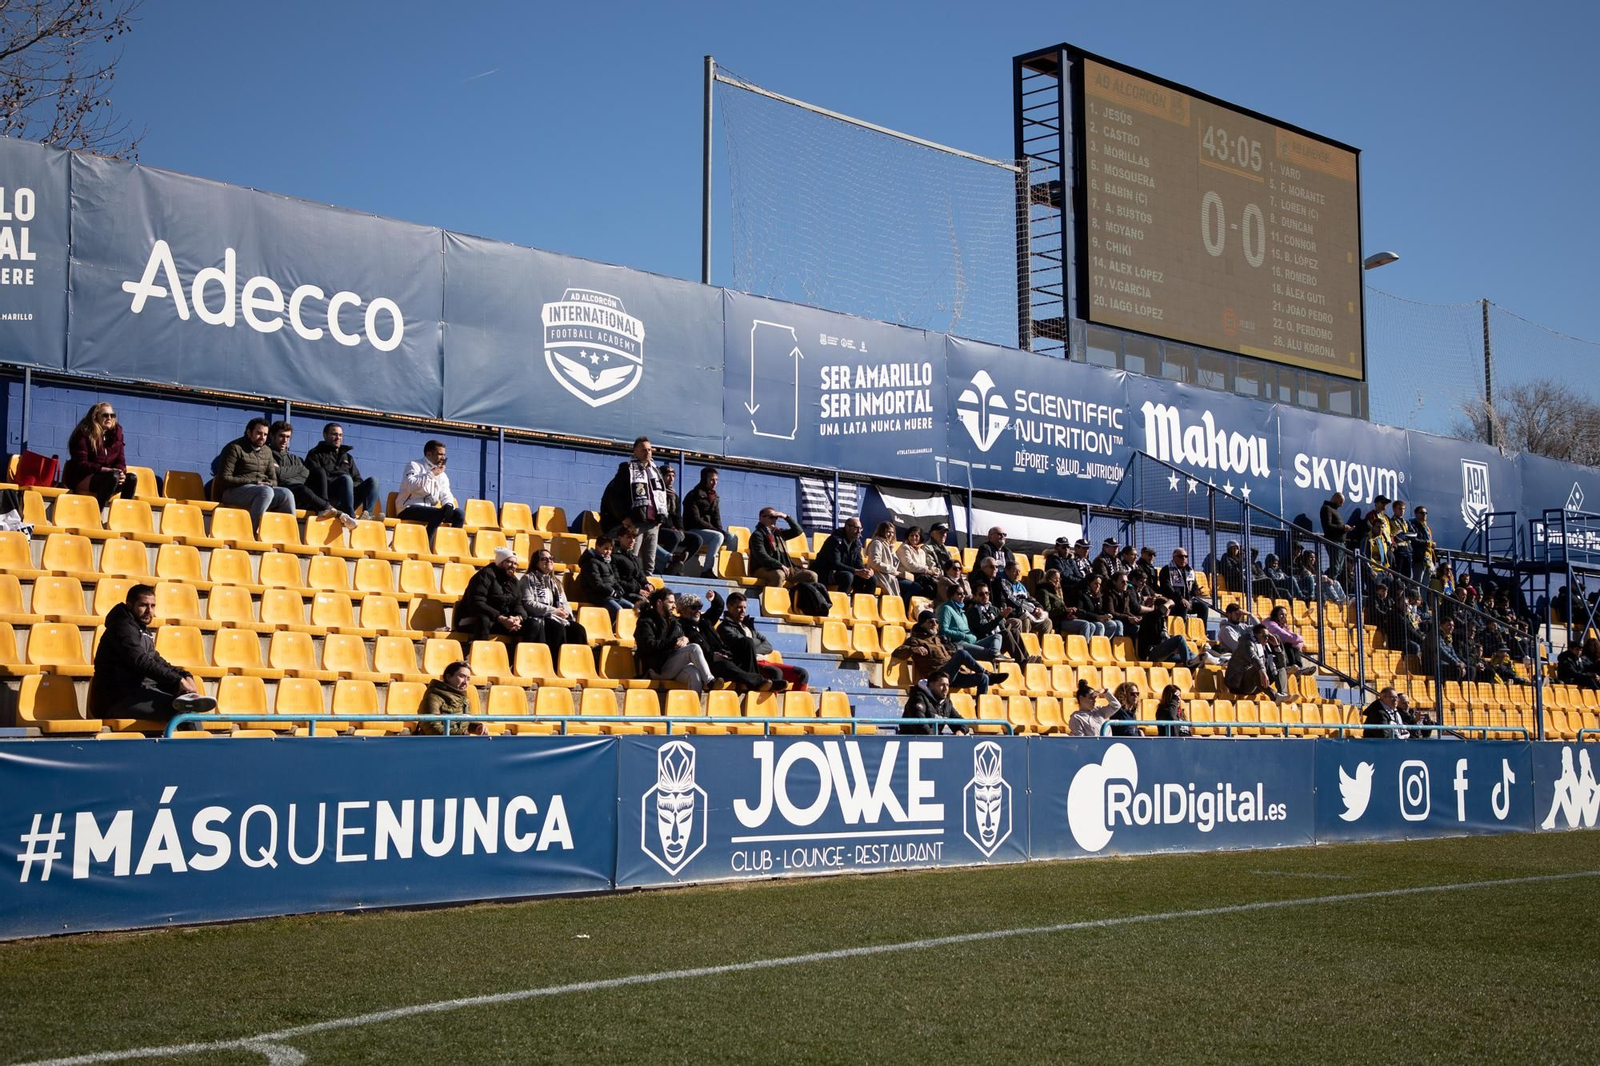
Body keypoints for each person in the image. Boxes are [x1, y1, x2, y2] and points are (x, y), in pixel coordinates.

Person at [88, 584, 217, 722]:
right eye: (143, 605)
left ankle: (192, 737)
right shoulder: (122, 628)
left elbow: (157, 660)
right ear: (130, 605)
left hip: (137, 695)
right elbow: (141, 661)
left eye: (153, 606)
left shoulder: (142, 630)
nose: (149, 611)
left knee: (186, 708)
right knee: (183, 713)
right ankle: (195, 742)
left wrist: (184, 675)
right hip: (117, 699)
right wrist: (178, 681)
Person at [889, 609, 1003, 695]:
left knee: (983, 678)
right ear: (922, 624)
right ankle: (988, 673)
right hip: (937, 676)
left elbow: (946, 655)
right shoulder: (915, 640)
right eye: (931, 622)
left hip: (952, 675)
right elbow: (897, 652)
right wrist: (913, 649)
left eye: (936, 622)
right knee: (962, 653)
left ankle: (979, 712)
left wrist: (952, 653)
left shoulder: (937, 639)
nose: (935, 625)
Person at [676, 591, 771, 691]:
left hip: (725, 656)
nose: (698, 611)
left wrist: (714, 597)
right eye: (694, 607)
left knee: (746, 642)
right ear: (683, 610)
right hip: (709, 665)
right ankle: (758, 682)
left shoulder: (705, 621)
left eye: (699, 607)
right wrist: (713, 656)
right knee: (725, 665)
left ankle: (750, 683)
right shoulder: (679, 626)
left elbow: (718, 607)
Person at [267, 421, 355, 528]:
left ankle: (325, 506)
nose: (285, 440)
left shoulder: (294, 458)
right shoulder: (266, 454)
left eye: (288, 437)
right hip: (279, 493)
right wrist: (295, 472)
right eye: (281, 436)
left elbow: (305, 473)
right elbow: (277, 475)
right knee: (301, 489)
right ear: (272, 435)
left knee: (319, 472)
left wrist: (286, 472)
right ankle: (330, 509)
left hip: (299, 495)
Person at [214, 417, 295, 532]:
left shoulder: (267, 451)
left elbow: (274, 480)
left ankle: (289, 534)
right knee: (266, 491)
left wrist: (269, 483)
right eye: (259, 433)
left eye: (265, 434)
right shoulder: (234, 448)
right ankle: (250, 531)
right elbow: (224, 479)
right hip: (233, 492)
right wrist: (254, 483)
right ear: (248, 432)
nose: (262, 437)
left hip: (260, 491)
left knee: (286, 493)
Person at [718, 591, 808, 690]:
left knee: (802, 674)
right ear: (729, 607)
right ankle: (769, 703)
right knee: (776, 673)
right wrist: (753, 643)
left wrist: (751, 647)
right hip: (751, 666)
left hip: (765, 662)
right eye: (739, 607)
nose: (743, 611)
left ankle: (794, 704)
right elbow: (744, 644)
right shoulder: (725, 628)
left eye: (744, 607)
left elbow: (768, 646)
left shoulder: (748, 626)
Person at [635, 587, 714, 693]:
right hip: (656, 668)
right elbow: (649, 646)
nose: (674, 606)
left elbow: (681, 640)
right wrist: (673, 643)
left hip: (673, 665)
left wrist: (685, 640)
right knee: (694, 648)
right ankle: (710, 681)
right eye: (671, 602)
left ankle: (694, 708)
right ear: (659, 603)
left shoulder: (674, 622)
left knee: (694, 674)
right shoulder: (646, 621)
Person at [64, 401, 137, 507]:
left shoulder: (117, 436)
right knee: (111, 477)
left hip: (109, 477)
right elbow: (81, 463)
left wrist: (121, 471)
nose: (109, 418)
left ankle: (124, 513)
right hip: (83, 476)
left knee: (131, 478)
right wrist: (104, 470)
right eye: (105, 415)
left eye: (112, 415)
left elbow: (120, 461)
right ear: (95, 417)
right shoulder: (83, 433)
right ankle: (98, 511)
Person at [304, 422, 383, 520]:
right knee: (346, 478)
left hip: (348, 498)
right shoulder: (315, 454)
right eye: (334, 434)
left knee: (374, 481)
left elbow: (358, 479)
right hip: (329, 499)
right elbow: (315, 479)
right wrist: (343, 482)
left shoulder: (347, 457)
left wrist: (349, 486)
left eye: (340, 435)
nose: (338, 438)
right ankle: (351, 516)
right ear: (325, 435)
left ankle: (368, 514)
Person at [517, 548, 588, 651]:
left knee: (578, 630)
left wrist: (566, 612)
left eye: (551, 558)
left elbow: (565, 602)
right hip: (541, 617)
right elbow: (528, 603)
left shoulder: (556, 582)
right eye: (544, 559)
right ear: (536, 562)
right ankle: (556, 662)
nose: (549, 561)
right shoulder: (527, 579)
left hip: (558, 617)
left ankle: (577, 662)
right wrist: (553, 611)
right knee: (557, 628)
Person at [395, 439, 465, 538]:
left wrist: (448, 505)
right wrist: (431, 474)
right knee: (438, 514)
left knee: (459, 514)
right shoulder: (414, 465)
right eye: (440, 454)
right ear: (428, 454)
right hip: (408, 508)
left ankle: (451, 545)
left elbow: (446, 492)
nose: (443, 458)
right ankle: (425, 546)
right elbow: (411, 486)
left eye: (444, 455)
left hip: (429, 510)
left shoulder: (442, 475)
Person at [456, 546, 527, 644]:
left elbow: (518, 603)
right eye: (509, 562)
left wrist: (518, 618)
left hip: (499, 621)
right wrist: (501, 618)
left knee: (533, 623)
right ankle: (479, 654)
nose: (513, 566)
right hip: (471, 620)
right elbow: (477, 603)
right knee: (483, 619)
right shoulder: (484, 575)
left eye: (515, 563)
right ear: (500, 562)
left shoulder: (513, 581)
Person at [654, 465, 703, 576]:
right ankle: (664, 565)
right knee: (674, 536)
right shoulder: (656, 493)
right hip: (659, 528)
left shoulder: (674, 496)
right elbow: (659, 515)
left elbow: (677, 516)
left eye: (673, 476)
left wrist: (680, 528)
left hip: (673, 529)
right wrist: (674, 529)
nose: (671, 479)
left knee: (697, 539)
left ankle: (676, 565)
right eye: (668, 476)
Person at [967, 580, 1030, 663]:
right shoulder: (973, 611)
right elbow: (983, 629)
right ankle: (1022, 662)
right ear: (975, 596)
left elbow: (1001, 627)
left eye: (987, 593)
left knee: (1014, 631)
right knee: (1005, 633)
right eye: (981, 594)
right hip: (986, 643)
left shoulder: (994, 609)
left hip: (998, 641)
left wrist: (1002, 621)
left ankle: (1027, 658)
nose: (985, 596)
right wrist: (1000, 617)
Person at [681, 466, 727, 578]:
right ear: (704, 479)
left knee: (731, 538)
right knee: (718, 536)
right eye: (712, 479)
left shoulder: (715, 497)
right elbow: (695, 520)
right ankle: (707, 570)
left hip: (710, 530)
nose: (714, 483)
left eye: (716, 480)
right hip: (694, 530)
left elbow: (717, 518)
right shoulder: (693, 495)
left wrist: (720, 529)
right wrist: (715, 530)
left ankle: (725, 572)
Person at [415, 660, 484, 736]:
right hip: (436, 744)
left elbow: (465, 723)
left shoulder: (464, 699)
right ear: (448, 677)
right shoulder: (433, 697)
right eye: (461, 676)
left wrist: (477, 727)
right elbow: (432, 727)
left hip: (458, 742)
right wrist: (462, 733)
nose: (465, 682)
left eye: (468, 679)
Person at [1225, 624, 1289, 701]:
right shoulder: (1246, 643)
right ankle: (1275, 697)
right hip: (1238, 684)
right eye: (1264, 636)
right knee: (1257, 668)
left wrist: (1276, 646)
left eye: (1268, 636)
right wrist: (1262, 670)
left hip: (1254, 685)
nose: (1267, 639)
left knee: (1280, 668)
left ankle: (1282, 694)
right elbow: (1253, 657)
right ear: (1255, 635)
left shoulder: (1266, 647)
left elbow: (1282, 664)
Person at [938, 582, 1000, 662]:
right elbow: (943, 630)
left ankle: (996, 654)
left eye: (964, 593)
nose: (963, 596)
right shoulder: (946, 608)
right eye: (959, 594)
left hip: (972, 642)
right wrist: (963, 635)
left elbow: (967, 630)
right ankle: (996, 655)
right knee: (989, 652)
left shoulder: (961, 611)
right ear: (952, 596)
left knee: (997, 636)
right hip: (960, 644)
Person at [579, 536, 637, 620]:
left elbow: (613, 580)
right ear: (598, 547)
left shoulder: (606, 561)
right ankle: (612, 629)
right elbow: (596, 584)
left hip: (609, 595)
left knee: (632, 608)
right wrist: (612, 592)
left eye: (610, 549)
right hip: (597, 595)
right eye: (606, 548)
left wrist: (619, 589)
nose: (608, 552)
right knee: (618, 610)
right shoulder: (591, 562)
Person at [900, 673, 971, 736]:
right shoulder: (917, 698)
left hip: (935, 741)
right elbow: (920, 727)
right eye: (942, 685)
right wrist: (937, 739)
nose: (946, 689)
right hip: (912, 742)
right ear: (931, 685)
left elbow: (960, 721)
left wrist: (961, 731)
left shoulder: (946, 702)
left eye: (947, 685)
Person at [817, 517, 875, 593]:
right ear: (847, 527)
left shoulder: (857, 543)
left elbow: (858, 563)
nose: (859, 531)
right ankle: (840, 602)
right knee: (848, 576)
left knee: (872, 579)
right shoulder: (835, 540)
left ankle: (860, 602)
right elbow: (835, 564)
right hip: (827, 572)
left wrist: (866, 572)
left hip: (846, 571)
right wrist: (856, 571)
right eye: (856, 528)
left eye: (860, 529)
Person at [996, 560, 1052, 637]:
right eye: (1015, 571)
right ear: (1007, 571)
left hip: (1028, 612)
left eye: (1019, 571)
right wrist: (1032, 609)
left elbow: (1029, 598)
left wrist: (1039, 608)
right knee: (1025, 620)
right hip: (1015, 613)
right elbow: (1011, 599)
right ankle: (1024, 646)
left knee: (1047, 622)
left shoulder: (1020, 585)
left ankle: (1040, 646)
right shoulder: (1002, 582)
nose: (1018, 574)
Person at [1037, 567, 1099, 637]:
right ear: (1048, 579)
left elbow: (1061, 608)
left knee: (1092, 626)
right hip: (1056, 621)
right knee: (1085, 624)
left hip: (1063, 618)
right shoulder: (1044, 592)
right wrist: (1065, 610)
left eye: (1059, 579)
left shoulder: (1058, 592)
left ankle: (1086, 646)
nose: (1057, 581)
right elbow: (1047, 611)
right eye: (1055, 578)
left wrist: (1068, 612)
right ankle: (1083, 647)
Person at [867, 521, 920, 603]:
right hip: (881, 575)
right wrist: (893, 571)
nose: (891, 534)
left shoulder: (887, 544)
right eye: (888, 532)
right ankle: (903, 608)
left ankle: (902, 606)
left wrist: (892, 551)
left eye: (892, 532)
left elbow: (895, 564)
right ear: (882, 531)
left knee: (915, 586)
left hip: (890, 575)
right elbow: (875, 562)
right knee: (915, 587)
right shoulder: (877, 543)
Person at [1157, 548, 1211, 622]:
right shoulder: (1166, 570)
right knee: (1183, 606)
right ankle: (1181, 630)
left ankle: (1203, 632)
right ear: (1174, 557)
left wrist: (1196, 592)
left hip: (1188, 601)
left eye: (1186, 556)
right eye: (1181, 556)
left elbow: (1194, 587)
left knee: (1203, 607)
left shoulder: (1190, 571)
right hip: (1173, 601)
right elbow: (1167, 588)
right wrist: (1181, 599)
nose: (1184, 558)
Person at [1138, 599, 1195, 665]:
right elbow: (1159, 612)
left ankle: (1192, 662)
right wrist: (1169, 602)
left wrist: (1174, 648)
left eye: (1170, 608)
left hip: (1163, 655)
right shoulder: (1150, 617)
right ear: (1157, 607)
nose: (1169, 610)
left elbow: (1164, 639)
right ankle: (1188, 664)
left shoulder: (1162, 620)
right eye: (1168, 607)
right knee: (1180, 638)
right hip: (1150, 653)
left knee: (1193, 655)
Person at [1264, 605, 1318, 676]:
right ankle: (1290, 667)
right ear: (1275, 615)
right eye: (1281, 614)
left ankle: (1298, 668)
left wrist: (1296, 641)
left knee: (1293, 646)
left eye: (1285, 615)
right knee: (1288, 644)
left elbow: (1295, 640)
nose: (1284, 616)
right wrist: (1299, 639)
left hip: (1280, 648)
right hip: (1271, 649)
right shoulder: (1270, 623)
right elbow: (1286, 637)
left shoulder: (1284, 626)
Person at [896, 526, 941, 599]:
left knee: (930, 588)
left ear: (920, 537)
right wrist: (927, 570)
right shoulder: (904, 548)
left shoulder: (921, 551)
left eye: (916, 536)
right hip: (905, 576)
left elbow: (924, 565)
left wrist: (933, 571)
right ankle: (906, 608)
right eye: (911, 535)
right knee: (917, 587)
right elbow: (910, 565)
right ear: (908, 536)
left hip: (919, 577)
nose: (914, 538)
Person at [1320, 491, 1349, 580]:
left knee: (1339, 568)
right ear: (1335, 498)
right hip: (1334, 542)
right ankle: (1327, 582)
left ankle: (1329, 581)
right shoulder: (1327, 508)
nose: (1341, 505)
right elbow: (1328, 526)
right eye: (1340, 502)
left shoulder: (1333, 510)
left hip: (1340, 543)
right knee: (1335, 567)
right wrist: (1343, 528)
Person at [1411, 505, 1437, 584]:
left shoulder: (1426, 527)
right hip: (1419, 558)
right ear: (1416, 514)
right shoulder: (1412, 525)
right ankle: (1416, 597)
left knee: (1426, 584)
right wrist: (1428, 542)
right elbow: (1414, 540)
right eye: (1421, 513)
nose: (1424, 515)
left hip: (1428, 558)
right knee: (1418, 581)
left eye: (1426, 513)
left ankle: (1423, 597)